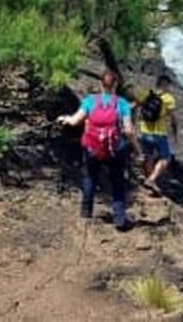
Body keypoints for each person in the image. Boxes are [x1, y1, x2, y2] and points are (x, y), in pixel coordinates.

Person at [58, 70, 141, 231]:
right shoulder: (122, 103)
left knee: (90, 177)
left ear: (100, 84)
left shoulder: (90, 101)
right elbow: (129, 130)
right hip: (114, 149)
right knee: (117, 181)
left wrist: (64, 118)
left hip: (92, 147)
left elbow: (75, 121)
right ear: (116, 85)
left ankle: (86, 212)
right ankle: (119, 219)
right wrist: (138, 150)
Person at [135, 74, 177, 196]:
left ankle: (150, 183)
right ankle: (152, 179)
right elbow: (173, 118)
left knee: (149, 157)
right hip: (159, 133)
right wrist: (175, 133)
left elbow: (135, 105)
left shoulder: (147, 94)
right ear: (166, 85)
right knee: (166, 158)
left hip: (144, 132)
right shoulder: (169, 99)